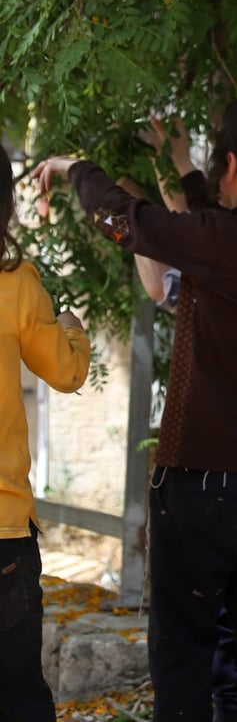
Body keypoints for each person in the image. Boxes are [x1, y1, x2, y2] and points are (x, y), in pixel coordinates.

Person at [31, 92, 237, 722]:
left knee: (182, 653)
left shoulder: (224, 243)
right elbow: (212, 227)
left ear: (236, 167)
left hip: (202, 483)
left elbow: (123, 220)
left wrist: (72, 167)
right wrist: (185, 164)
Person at [0, 145, 91, 721]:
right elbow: (65, 371)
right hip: (3, 531)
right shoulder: (16, 284)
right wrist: (72, 330)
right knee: (17, 696)